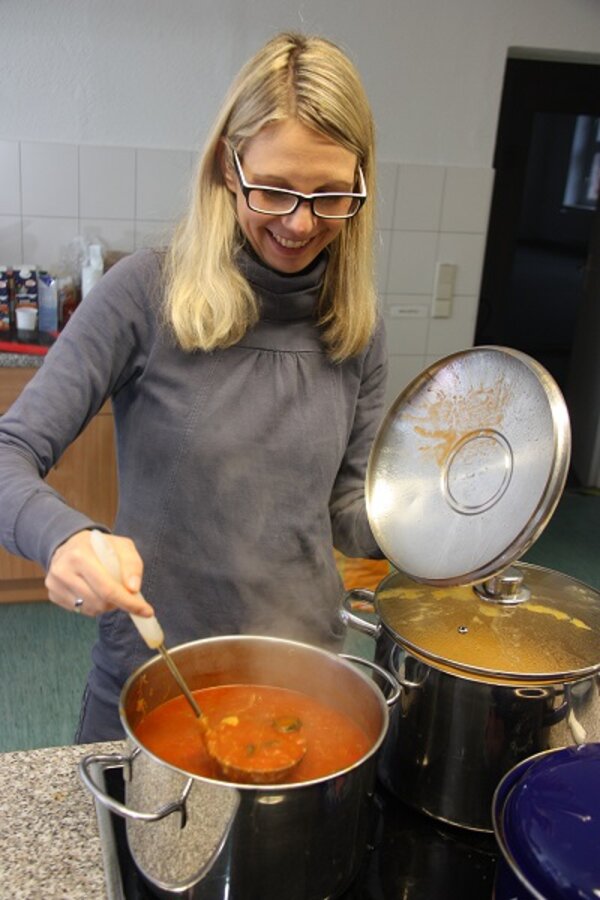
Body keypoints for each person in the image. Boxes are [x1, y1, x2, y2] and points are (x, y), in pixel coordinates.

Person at [0, 32, 387, 742]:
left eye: (331, 196)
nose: (300, 222)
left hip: (301, 676)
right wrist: (64, 537)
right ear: (226, 168)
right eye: (274, 189)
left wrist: (439, 522)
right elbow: (7, 451)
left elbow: (346, 509)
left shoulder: (354, 323)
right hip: (155, 677)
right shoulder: (146, 293)